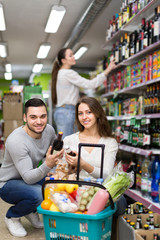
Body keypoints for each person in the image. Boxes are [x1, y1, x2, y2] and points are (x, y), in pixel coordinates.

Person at [0, 98, 64, 237]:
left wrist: (56, 164)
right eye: (33, 117)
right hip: (7, 184)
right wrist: (48, 165)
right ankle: (12, 216)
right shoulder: (16, 140)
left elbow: (48, 153)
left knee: (54, 186)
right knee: (39, 194)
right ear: (24, 118)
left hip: (30, 176)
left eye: (43, 116)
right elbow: (29, 178)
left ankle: (29, 210)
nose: (39, 122)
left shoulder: (49, 130)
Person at [64, 96, 127, 215]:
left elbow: (107, 174)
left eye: (89, 112)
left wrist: (83, 164)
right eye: (80, 113)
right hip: (75, 189)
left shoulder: (109, 142)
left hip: (100, 191)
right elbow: (62, 173)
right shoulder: (69, 140)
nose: (84, 117)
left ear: (97, 113)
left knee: (121, 202)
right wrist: (70, 170)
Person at [51, 47, 116, 138]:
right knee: (69, 144)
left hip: (62, 111)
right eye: (70, 55)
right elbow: (91, 84)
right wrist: (108, 69)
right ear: (63, 60)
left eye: (73, 54)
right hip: (68, 112)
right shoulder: (68, 73)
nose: (74, 57)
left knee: (66, 143)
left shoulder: (60, 73)